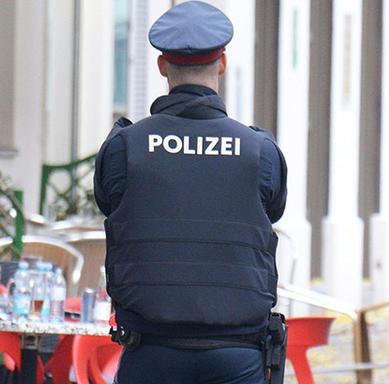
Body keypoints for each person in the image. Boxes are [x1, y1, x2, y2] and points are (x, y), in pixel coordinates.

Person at [93, 2, 287, 383]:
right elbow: (273, 208)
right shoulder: (258, 151)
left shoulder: (124, 148)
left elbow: (109, 202)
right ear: (223, 63)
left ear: (162, 65)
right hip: (238, 356)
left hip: (150, 353)